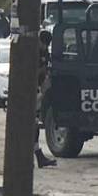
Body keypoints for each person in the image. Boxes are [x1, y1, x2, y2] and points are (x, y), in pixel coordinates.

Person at [35, 30, 57, 168]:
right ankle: (38, 156)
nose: (45, 47)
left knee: (34, 125)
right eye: (44, 44)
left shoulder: (43, 52)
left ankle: (38, 156)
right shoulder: (32, 52)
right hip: (30, 91)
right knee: (32, 126)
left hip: (37, 90)